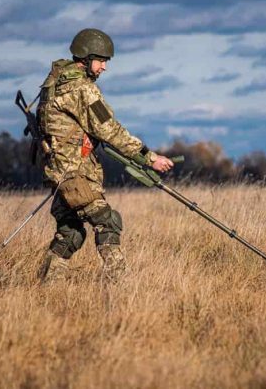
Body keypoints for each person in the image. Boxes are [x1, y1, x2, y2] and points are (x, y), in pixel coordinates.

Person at [35, 28, 173, 283]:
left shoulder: (54, 83)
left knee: (71, 232)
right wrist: (149, 158)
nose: (105, 67)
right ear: (86, 59)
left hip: (58, 173)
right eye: (101, 61)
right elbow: (109, 129)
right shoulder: (81, 89)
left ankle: (47, 286)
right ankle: (120, 284)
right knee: (108, 222)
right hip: (75, 174)